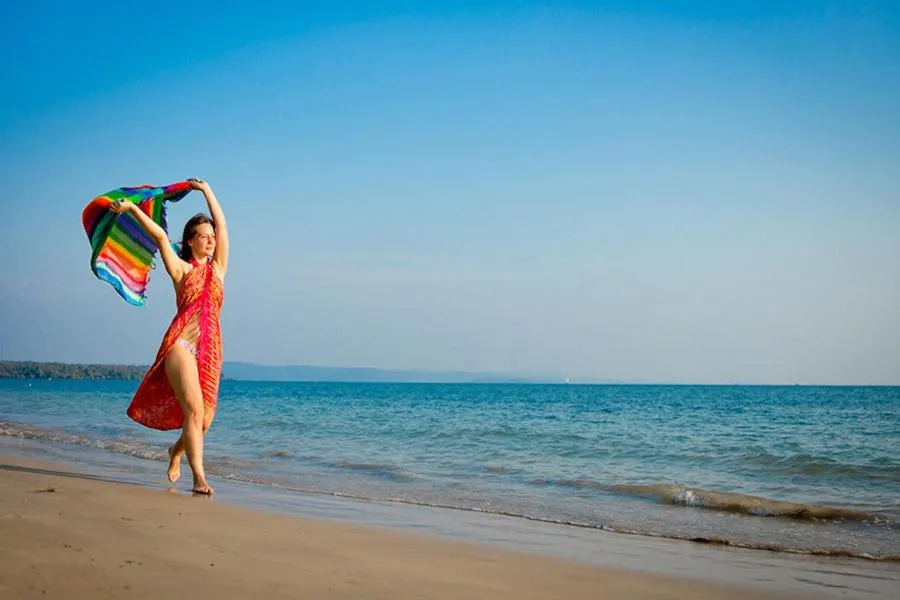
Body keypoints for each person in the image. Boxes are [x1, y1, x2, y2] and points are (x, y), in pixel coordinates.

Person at [110, 179, 228, 494]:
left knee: (204, 421)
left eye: (212, 237)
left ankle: (175, 451)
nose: (211, 240)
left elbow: (223, 225)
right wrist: (131, 208)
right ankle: (199, 478)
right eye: (204, 236)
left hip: (211, 351)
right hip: (181, 345)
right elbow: (161, 236)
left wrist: (206, 190)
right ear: (190, 241)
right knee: (193, 410)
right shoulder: (180, 270)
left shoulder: (218, 269)